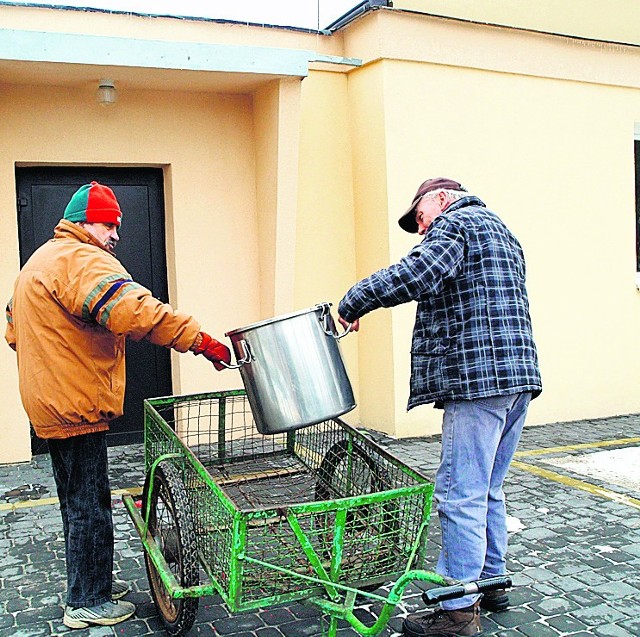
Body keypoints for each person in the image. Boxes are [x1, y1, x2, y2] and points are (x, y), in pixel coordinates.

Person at [5, 181, 232, 629]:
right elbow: (136, 311)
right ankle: (87, 600)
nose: (114, 236)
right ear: (84, 222)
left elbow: (13, 331)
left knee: (79, 501)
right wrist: (201, 341)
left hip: (53, 402)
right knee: (89, 504)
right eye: (109, 225)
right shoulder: (82, 260)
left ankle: (93, 583)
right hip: (74, 406)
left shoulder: (41, 260)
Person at [337, 177, 542, 637]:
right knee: (488, 486)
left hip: (478, 380)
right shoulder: (502, 231)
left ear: (442, 200)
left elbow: (415, 275)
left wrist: (354, 301)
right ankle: (490, 579)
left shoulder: (456, 224)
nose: (421, 231)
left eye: (421, 218)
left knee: (459, 492)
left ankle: (455, 611)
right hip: (518, 379)